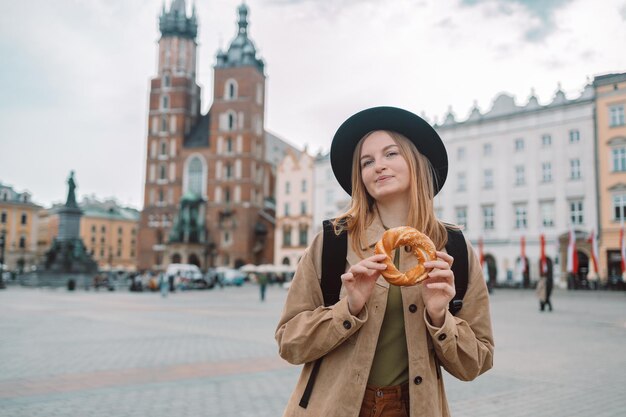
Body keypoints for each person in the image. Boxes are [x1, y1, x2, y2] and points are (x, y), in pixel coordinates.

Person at [275, 107, 494, 417]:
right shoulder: (333, 240)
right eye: (367, 161)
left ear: (415, 162)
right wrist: (348, 309)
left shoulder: (452, 247)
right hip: (334, 406)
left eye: (391, 154)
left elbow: (477, 362)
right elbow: (289, 342)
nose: (378, 166)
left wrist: (439, 316)